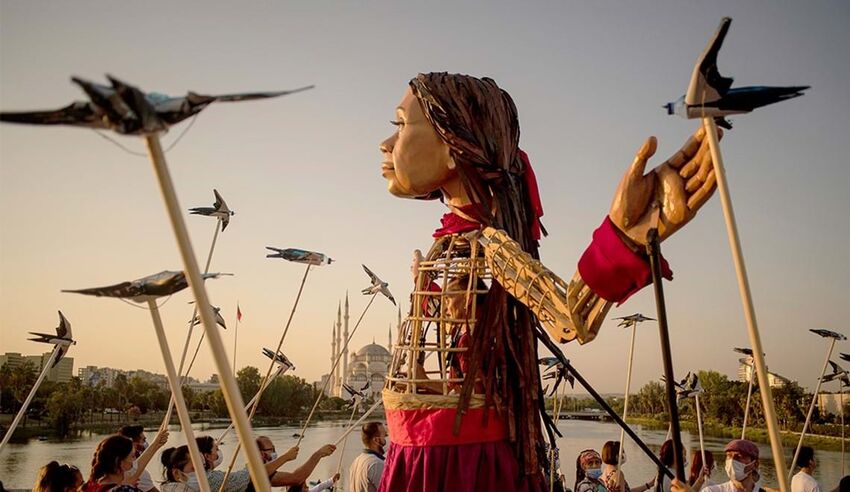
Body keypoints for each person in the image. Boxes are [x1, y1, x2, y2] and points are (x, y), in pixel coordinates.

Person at [378, 72, 719, 491]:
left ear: (453, 148)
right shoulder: (447, 247)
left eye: (400, 124)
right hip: (411, 448)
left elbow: (569, 316)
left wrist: (624, 238)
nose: (387, 144)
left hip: (460, 462)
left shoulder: (490, 247)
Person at [194, 435, 336, 491]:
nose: (274, 452)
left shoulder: (264, 472)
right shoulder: (256, 474)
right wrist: (318, 455)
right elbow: (296, 478)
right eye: (271, 449)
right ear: (262, 454)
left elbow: (296, 476)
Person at [349, 422, 387, 492]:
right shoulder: (376, 464)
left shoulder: (356, 460)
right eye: (384, 436)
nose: (386, 439)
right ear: (376, 440)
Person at [118, 425, 158, 492]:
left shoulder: (112, 470)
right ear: (133, 444)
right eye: (143, 440)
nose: (145, 444)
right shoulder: (138, 473)